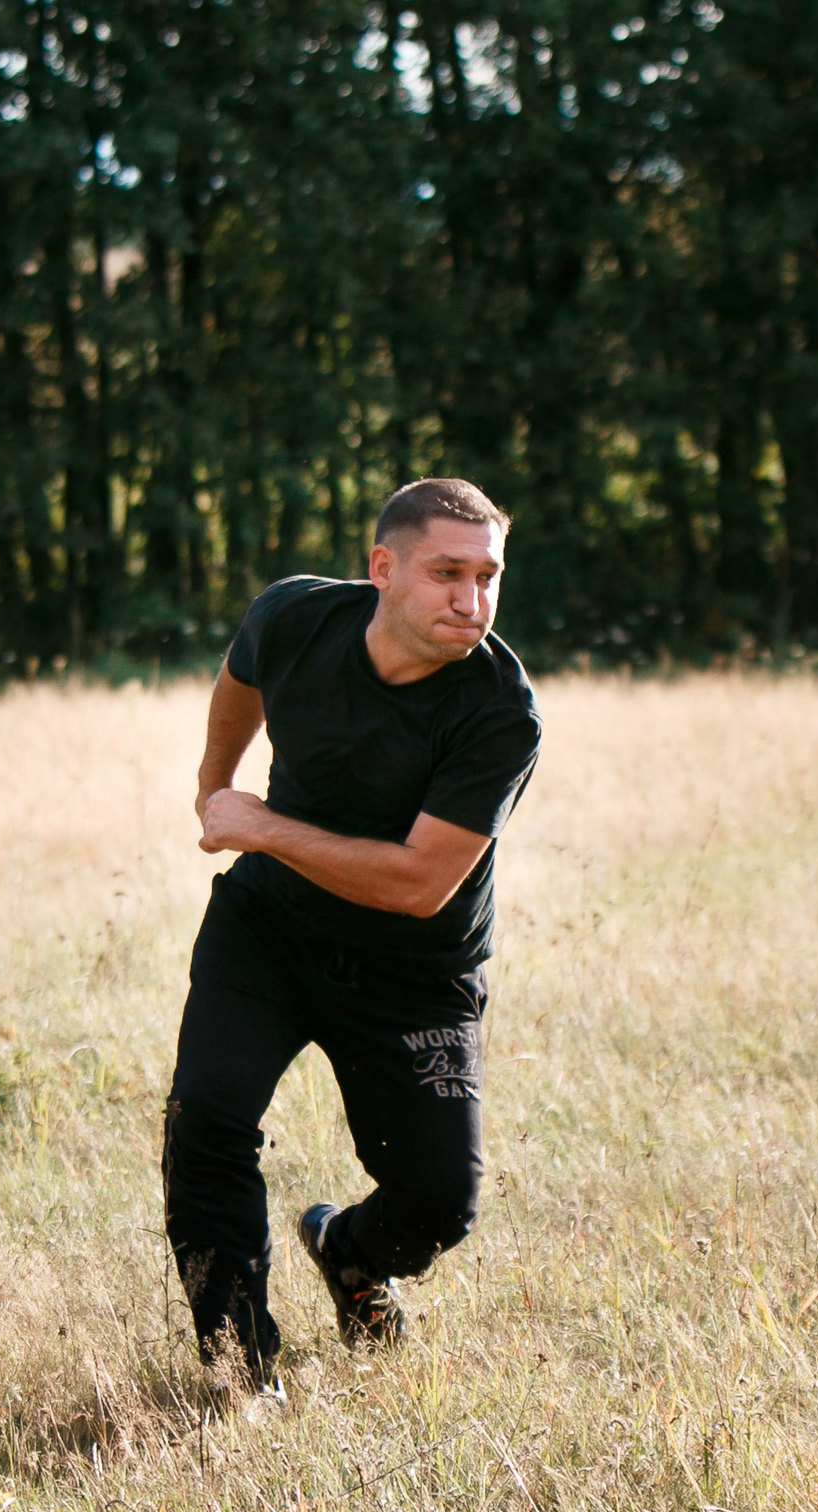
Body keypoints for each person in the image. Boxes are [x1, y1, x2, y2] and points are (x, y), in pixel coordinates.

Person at [162, 478, 541, 1393]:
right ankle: (240, 1372)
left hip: (413, 968)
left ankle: (348, 1251)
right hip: (272, 927)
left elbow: (417, 885)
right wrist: (216, 786)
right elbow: (238, 683)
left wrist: (260, 825)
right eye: (448, 572)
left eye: (488, 577)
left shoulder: (498, 708)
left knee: (439, 1206)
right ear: (383, 568)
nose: (473, 600)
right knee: (207, 1122)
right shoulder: (294, 616)